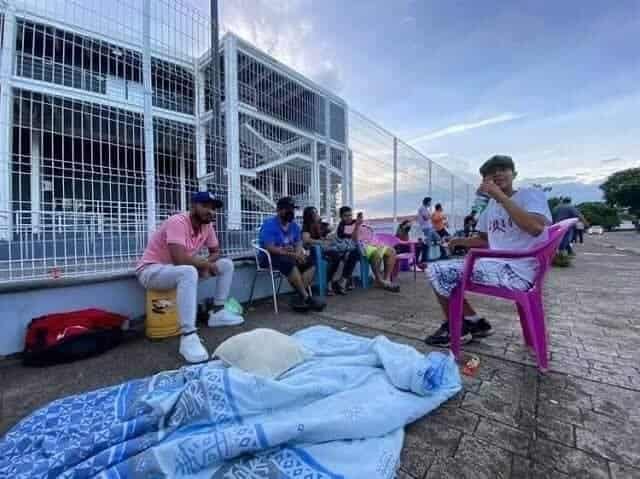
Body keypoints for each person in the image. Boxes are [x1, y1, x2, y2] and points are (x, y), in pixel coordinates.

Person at [424, 155, 552, 347]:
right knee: (438, 268)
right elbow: (485, 240)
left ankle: (458, 327)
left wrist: (499, 196)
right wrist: (459, 240)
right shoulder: (490, 206)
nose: (497, 174)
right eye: (490, 173)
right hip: (497, 265)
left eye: (503, 169)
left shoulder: (529, 194)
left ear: (514, 173)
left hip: (520, 271)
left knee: (439, 271)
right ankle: (474, 323)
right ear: (485, 181)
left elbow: (535, 228)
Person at [137, 192, 244, 363]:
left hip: (178, 272)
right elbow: (179, 259)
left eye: (214, 208)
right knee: (188, 270)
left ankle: (217, 312)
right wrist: (203, 265)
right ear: (193, 206)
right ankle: (188, 336)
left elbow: (216, 252)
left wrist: (206, 263)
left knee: (226, 265)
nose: (211, 211)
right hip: (151, 271)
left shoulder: (207, 226)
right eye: (205, 206)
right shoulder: (177, 221)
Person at [259, 197, 326, 313]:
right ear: (279, 210)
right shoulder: (269, 224)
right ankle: (306, 298)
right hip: (268, 257)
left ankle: (298, 298)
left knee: (310, 264)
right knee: (289, 263)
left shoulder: (294, 226)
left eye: (292, 209)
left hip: (288, 255)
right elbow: (269, 247)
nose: (291, 212)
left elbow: (298, 242)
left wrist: (299, 253)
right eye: (287, 209)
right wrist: (292, 254)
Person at [338, 207, 400, 292]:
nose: (349, 217)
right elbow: (354, 239)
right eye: (346, 216)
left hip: (373, 243)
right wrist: (357, 226)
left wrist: (363, 226)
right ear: (341, 216)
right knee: (376, 253)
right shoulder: (342, 227)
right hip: (362, 247)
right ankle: (379, 280)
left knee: (392, 251)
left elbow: (369, 232)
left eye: (350, 215)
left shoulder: (357, 222)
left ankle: (387, 280)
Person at [302, 206, 346, 295]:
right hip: (317, 251)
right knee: (336, 256)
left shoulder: (323, 224)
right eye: (314, 213)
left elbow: (335, 232)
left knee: (344, 255)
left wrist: (331, 235)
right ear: (310, 216)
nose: (317, 214)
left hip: (328, 249)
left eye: (316, 212)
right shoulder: (307, 226)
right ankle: (329, 283)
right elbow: (306, 240)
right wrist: (321, 242)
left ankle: (335, 282)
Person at [417, 197, 442, 262]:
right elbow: (426, 218)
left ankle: (437, 255)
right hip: (426, 228)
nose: (430, 203)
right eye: (430, 202)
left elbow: (428, 218)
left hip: (430, 228)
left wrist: (430, 216)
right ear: (427, 202)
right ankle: (425, 259)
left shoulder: (425, 209)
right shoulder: (422, 208)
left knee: (438, 238)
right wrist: (431, 216)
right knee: (427, 244)